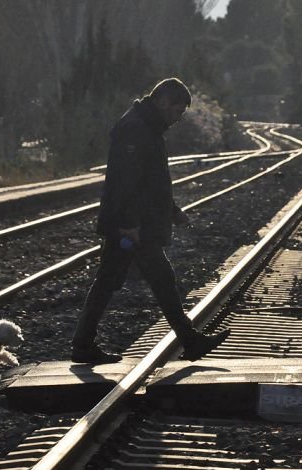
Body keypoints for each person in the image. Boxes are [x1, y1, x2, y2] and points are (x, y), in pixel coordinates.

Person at [70, 77, 229, 365]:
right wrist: (129, 223)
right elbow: (126, 182)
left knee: (113, 282)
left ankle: (83, 344)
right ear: (162, 101)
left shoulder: (147, 127)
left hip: (136, 223)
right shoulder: (135, 129)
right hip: (132, 226)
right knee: (158, 281)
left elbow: (151, 181)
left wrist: (171, 209)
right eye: (175, 111)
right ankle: (189, 341)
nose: (177, 119)